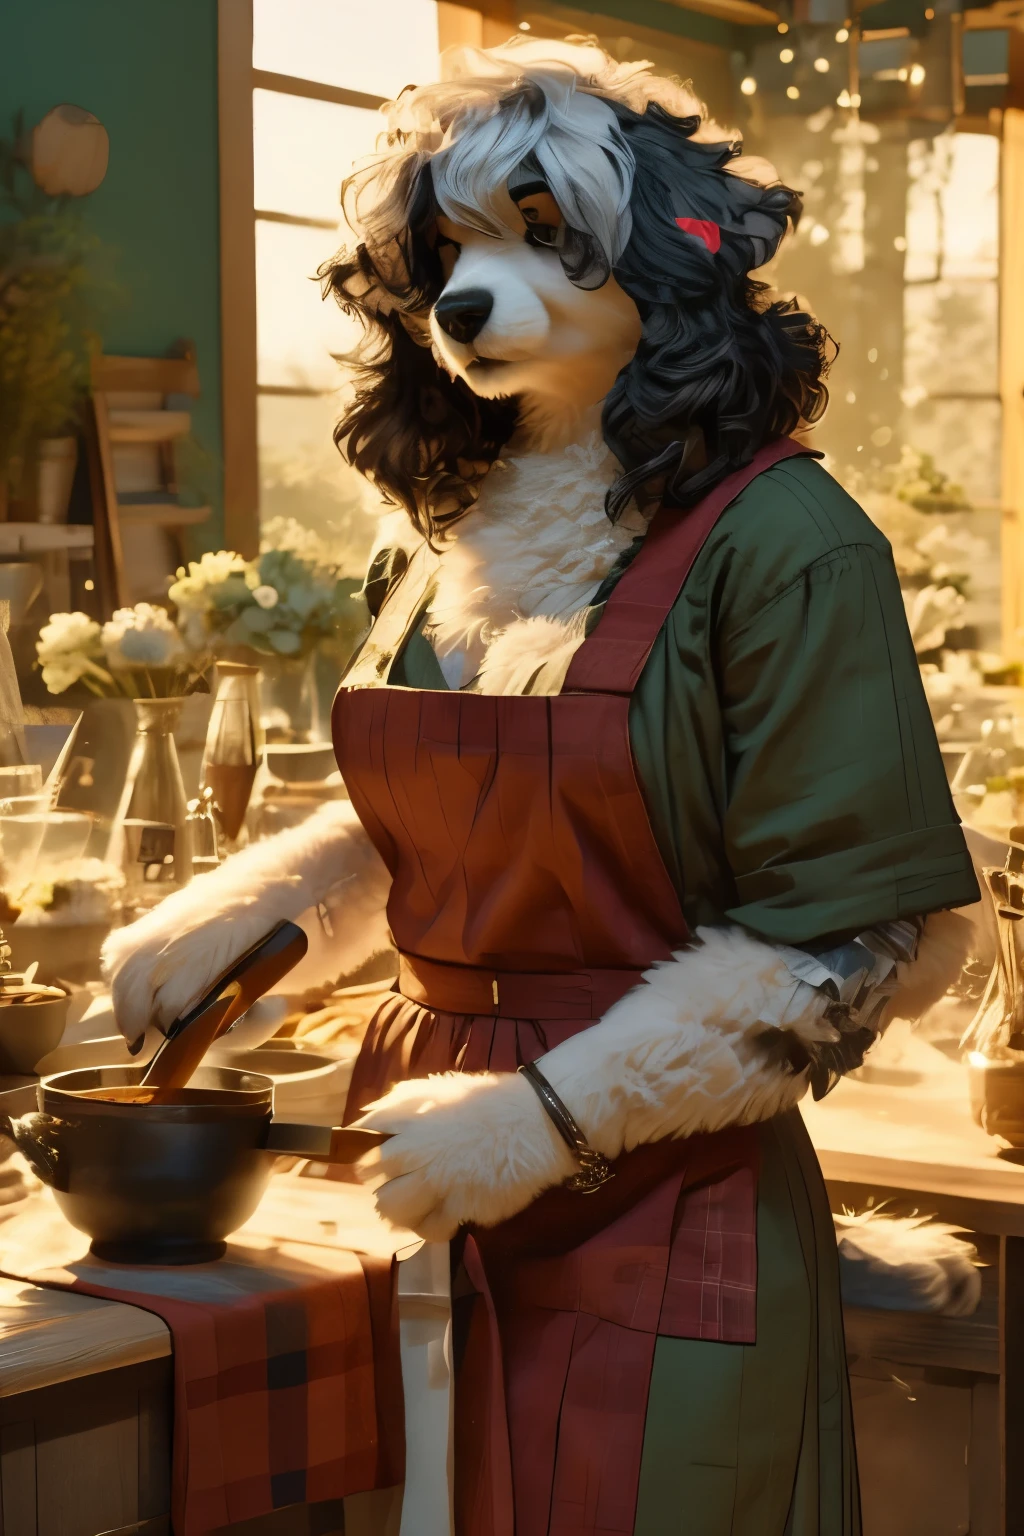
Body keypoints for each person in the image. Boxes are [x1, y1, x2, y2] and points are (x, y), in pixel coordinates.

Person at [105, 39, 979, 1535]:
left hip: (655, 1193)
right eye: (446, 251)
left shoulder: (788, 543)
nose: (469, 291)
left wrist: (542, 1121)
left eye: (538, 237)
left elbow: (854, 945)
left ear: (660, 256)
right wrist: (249, 925)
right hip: (411, 1175)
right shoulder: (434, 542)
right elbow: (442, 826)